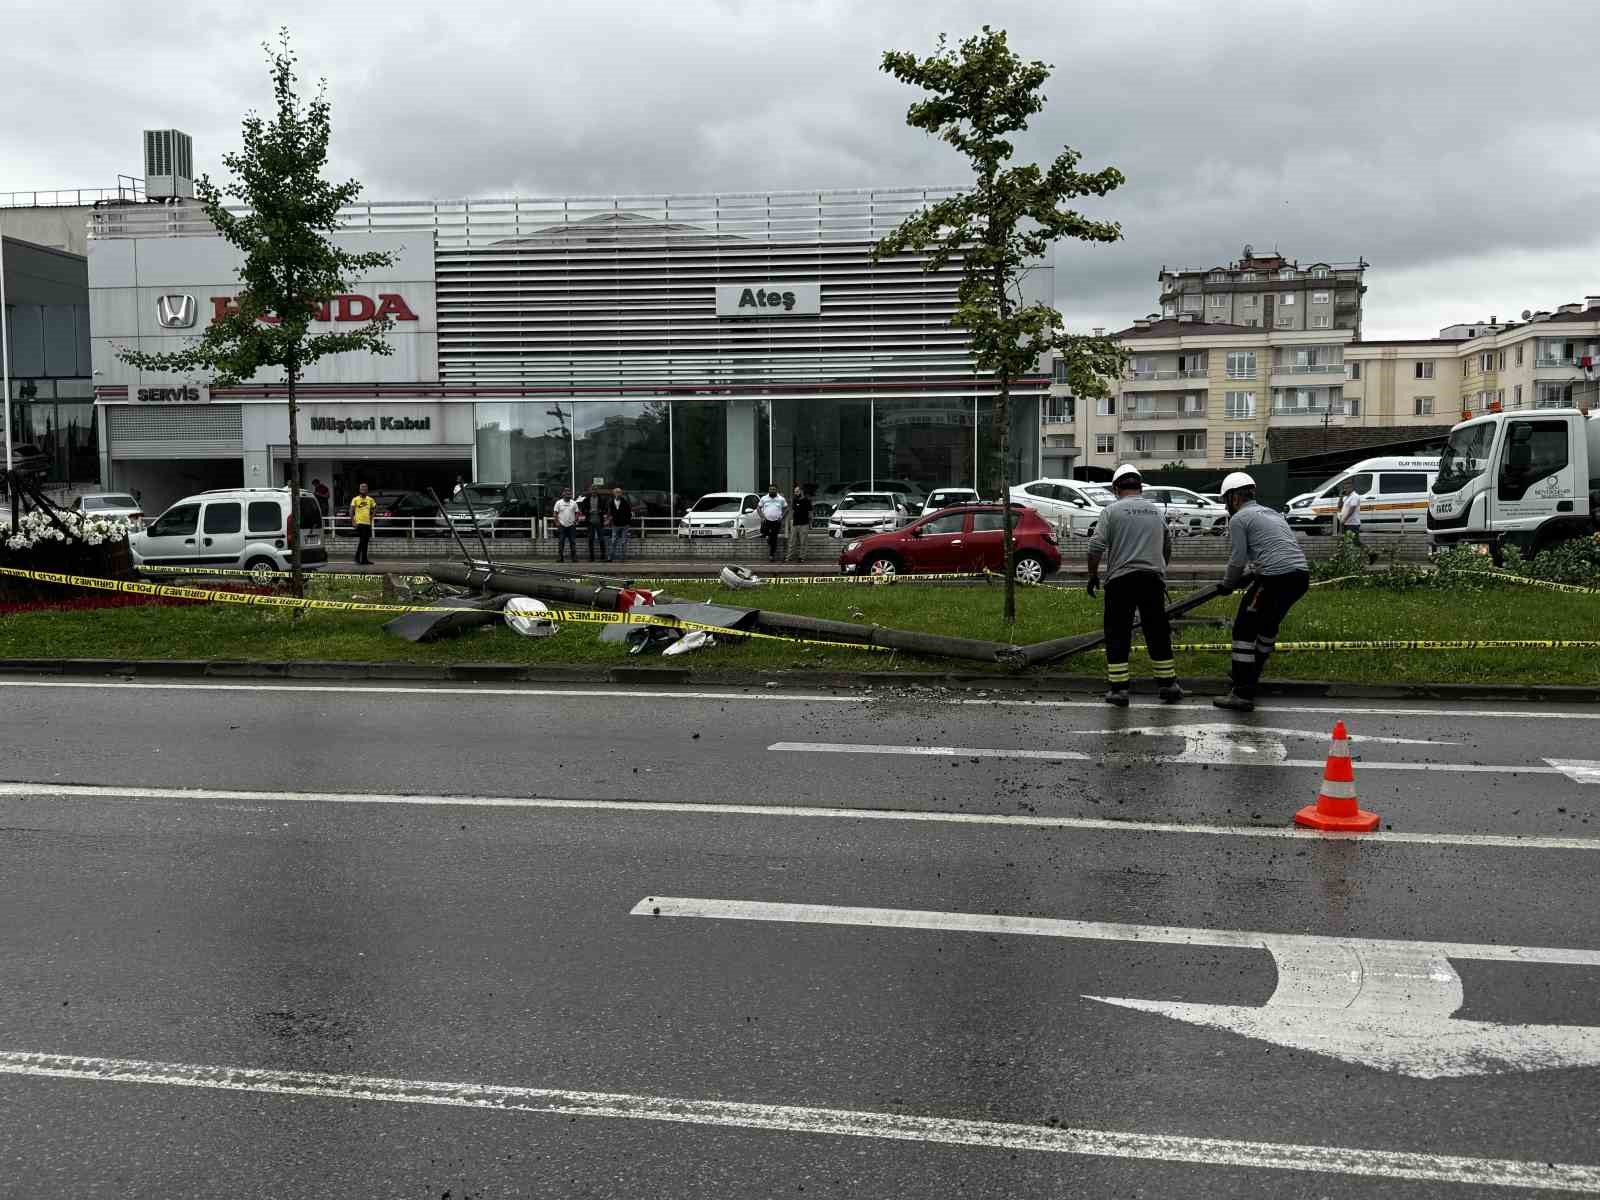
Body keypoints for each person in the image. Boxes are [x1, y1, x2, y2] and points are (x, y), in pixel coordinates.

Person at [1213, 471, 1311, 713]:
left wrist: (1227, 584)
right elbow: (1272, 548)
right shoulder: (1272, 513)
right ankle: (1251, 673)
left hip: (1275, 577)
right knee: (1267, 626)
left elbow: (1237, 560)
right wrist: (1253, 573)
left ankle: (1243, 692)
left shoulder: (1238, 519)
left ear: (1234, 498)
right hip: (1299, 575)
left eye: (1226, 500)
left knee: (1244, 628)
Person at [1086, 464, 1180, 707]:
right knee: (1157, 631)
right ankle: (1168, 684)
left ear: (1117, 488)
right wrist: (1160, 569)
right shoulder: (1156, 512)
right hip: (1152, 580)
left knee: (1117, 632)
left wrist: (1093, 575)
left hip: (1120, 581)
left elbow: (1095, 547)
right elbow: (1167, 546)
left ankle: (1119, 690)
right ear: (1140, 487)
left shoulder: (1111, 511)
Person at [756, 484, 788, 562]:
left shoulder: (781, 499)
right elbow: (758, 508)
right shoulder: (764, 498)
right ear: (769, 490)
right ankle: (768, 537)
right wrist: (762, 517)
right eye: (771, 489)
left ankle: (771, 555)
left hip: (776, 521)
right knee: (764, 532)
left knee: (774, 538)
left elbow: (786, 508)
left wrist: (782, 517)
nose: (772, 490)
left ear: (776, 490)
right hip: (766, 521)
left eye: (774, 489)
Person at [785, 484, 813, 562]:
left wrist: (811, 524)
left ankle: (801, 557)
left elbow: (810, 513)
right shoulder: (794, 500)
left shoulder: (807, 501)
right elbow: (792, 511)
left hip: (804, 524)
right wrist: (790, 522)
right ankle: (789, 557)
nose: (796, 493)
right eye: (795, 492)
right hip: (795, 523)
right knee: (791, 542)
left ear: (801, 491)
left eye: (797, 491)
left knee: (803, 542)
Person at [350, 482, 376, 566]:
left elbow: (375, 508)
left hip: (367, 523)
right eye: (362, 489)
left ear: (367, 490)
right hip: (359, 523)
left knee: (365, 541)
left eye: (365, 489)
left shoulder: (370, 499)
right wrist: (353, 521)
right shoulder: (355, 499)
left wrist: (371, 517)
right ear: (359, 490)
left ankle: (364, 559)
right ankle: (358, 558)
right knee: (362, 540)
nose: (363, 490)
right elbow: (351, 511)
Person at [552, 486, 580, 563]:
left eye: (569, 494)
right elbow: (555, 513)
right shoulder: (558, 502)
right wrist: (557, 522)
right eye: (567, 493)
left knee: (572, 542)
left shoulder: (573, 503)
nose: (568, 495)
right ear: (563, 494)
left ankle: (574, 558)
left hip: (571, 525)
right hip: (562, 525)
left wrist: (576, 520)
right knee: (561, 542)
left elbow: (577, 512)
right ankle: (560, 558)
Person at [606, 485, 633, 561]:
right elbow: (609, 513)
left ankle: (622, 558)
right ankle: (610, 558)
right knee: (613, 541)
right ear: (614, 493)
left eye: (619, 492)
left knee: (623, 542)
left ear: (621, 494)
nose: (618, 494)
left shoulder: (625, 502)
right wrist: (609, 520)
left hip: (625, 525)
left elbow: (629, 513)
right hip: (615, 524)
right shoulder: (611, 502)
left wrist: (628, 523)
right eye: (616, 492)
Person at [1336, 479, 1362, 545]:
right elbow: (1339, 507)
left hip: (1352, 524)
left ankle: (1368, 552)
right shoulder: (1345, 497)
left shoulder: (1355, 496)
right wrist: (1341, 497)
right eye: (1344, 487)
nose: (1346, 489)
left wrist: (1344, 520)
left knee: (1354, 542)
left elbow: (1352, 509)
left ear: (1352, 487)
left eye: (1347, 487)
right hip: (1345, 523)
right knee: (1346, 542)